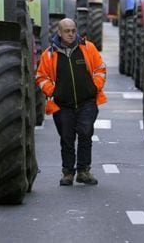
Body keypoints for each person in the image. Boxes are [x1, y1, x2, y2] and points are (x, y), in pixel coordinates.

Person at [35, 18, 107, 186]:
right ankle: (68, 172)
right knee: (67, 139)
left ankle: (83, 171)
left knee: (85, 133)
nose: (71, 34)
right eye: (67, 31)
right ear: (59, 32)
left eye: (73, 30)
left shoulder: (88, 48)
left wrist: (94, 87)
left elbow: (100, 69)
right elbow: (41, 76)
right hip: (62, 105)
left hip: (87, 102)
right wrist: (53, 92)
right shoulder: (49, 54)